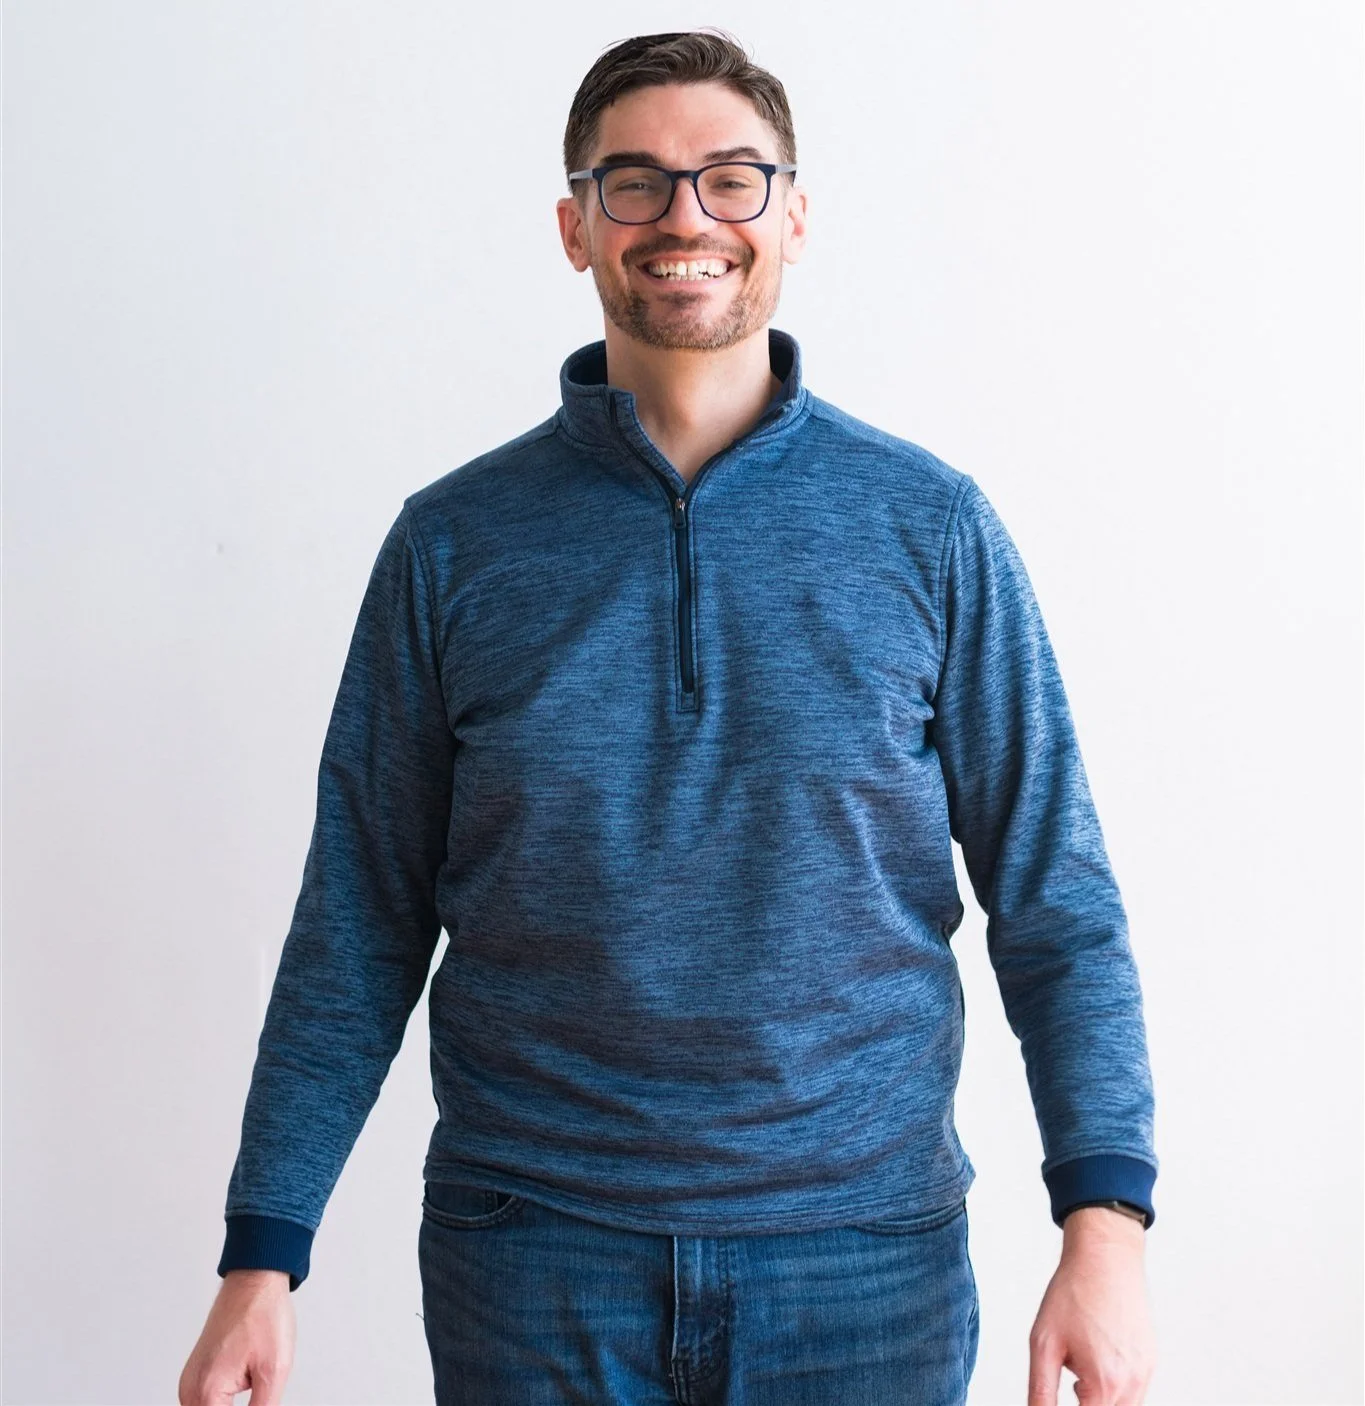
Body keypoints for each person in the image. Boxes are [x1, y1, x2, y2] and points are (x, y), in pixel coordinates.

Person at [179, 29, 1158, 1406]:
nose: (685, 216)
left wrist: (1105, 1228)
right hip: (532, 1253)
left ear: (793, 216)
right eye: (633, 182)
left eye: (731, 178)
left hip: (863, 1263)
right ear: (575, 227)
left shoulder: (932, 531)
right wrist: (263, 1251)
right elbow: (360, 916)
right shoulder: (452, 547)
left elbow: (1056, 897)